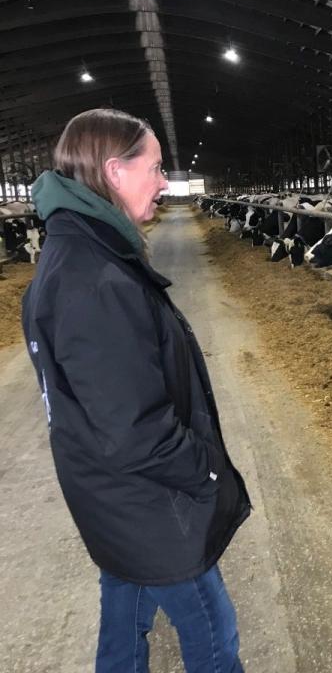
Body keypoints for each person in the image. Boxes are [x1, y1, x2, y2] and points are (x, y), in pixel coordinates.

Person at [21, 108, 251, 672]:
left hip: (112, 500)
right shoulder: (93, 278)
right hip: (149, 503)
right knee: (215, 637)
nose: (166, 182)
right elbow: (134, 431)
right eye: (155, 167)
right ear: (114, 171)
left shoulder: (83, 252)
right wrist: (207, 470)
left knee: (124, 627)